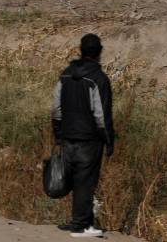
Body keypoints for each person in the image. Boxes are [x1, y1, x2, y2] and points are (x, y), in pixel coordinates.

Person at [51, 33, 115, 238]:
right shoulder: (99, 79)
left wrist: (58, 134)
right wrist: (109, 141)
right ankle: (80, 226)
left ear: (80, 50)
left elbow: (56, 109)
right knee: (85, 181)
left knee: (76, 180)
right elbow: (101, 115)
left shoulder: (65, 75)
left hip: (68, 136)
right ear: (99, 53)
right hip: (89, 140)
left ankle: (83, 223)